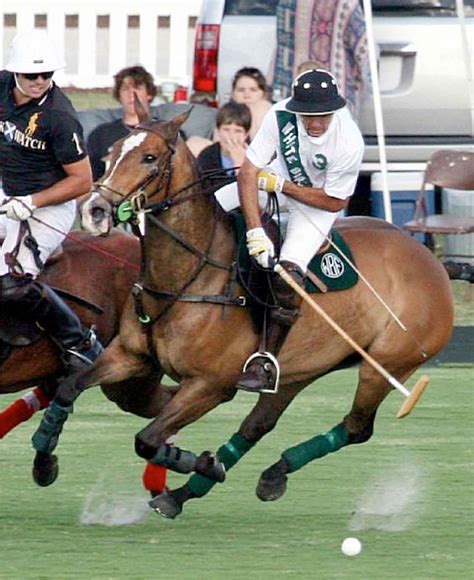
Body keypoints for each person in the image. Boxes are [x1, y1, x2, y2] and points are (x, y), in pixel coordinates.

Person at [214, 68, 364, 393]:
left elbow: (335, 202)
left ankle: (266, 361)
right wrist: (255, 231)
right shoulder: (280, 115)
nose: (314, 123)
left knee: (288, 274)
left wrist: (283, 185)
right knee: (208, 212)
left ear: (334, 109)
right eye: (307, 115)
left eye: (321, 116)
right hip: (271, 185)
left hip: (315, 206)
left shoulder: (348, 141)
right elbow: (248, 172)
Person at [0, 29, 103, 376]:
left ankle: (80, 342)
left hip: (48, 203)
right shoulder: (2, 88)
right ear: (15, 72)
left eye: (47, 74)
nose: (40, 80)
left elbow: (82, 181)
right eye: (31, 74)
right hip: (6, 189)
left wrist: (31, 201)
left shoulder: (60, 117)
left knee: (11, 282)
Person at [270, 0, 370, 120]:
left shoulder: (287, 4)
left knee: (294, 132)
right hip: (335, 89)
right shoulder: (345, 4)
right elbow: (364, 50)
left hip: (292, 91)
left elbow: (281, 50)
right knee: (335, 132)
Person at [86, 65, 157, 180]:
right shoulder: (101, 135)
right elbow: (89, 177)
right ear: (118, 95)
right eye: (125, 89)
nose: (131, 94)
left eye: (137, 88)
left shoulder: (166, 131)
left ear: (149, 94)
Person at [197, 101, 251, 190]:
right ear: (218, 131)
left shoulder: (255, 158)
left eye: (238, 131)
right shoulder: (207, 156)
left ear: (246, 134)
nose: (231, 136)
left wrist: (239, 166)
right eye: (226, 130)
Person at [231, 67, 273, 140]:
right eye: (241, 90)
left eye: (253, 90)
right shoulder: (226, 114)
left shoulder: (267, 113)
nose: (246, 95)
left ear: (263, 94)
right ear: (233, 94)